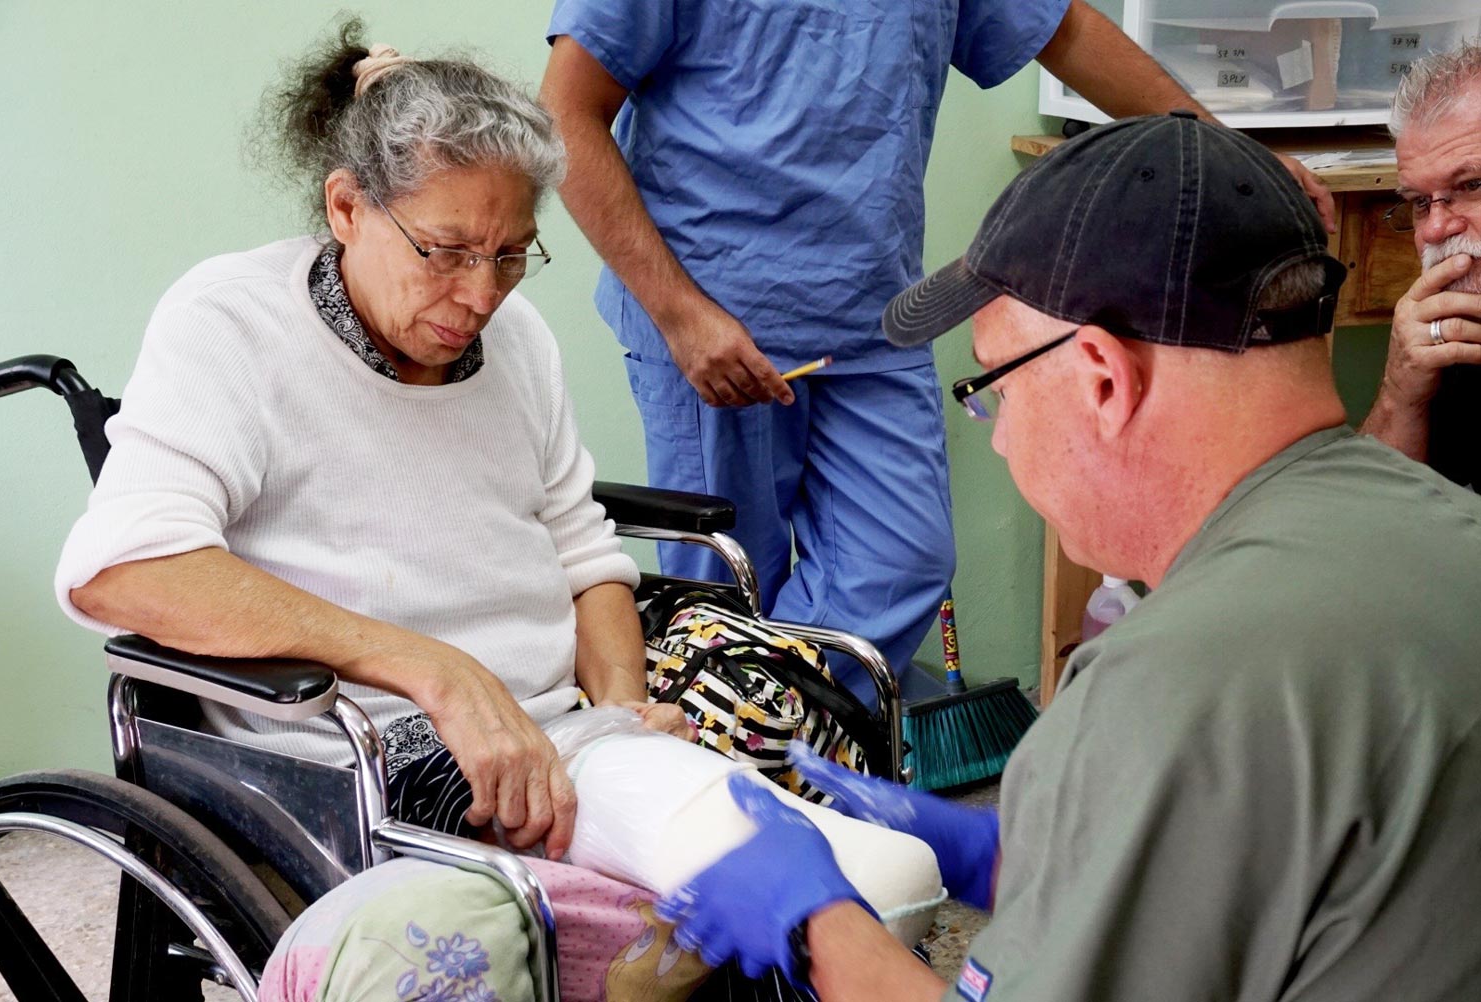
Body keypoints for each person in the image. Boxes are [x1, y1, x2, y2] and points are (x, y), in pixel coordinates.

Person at [653, 113, 1481, 1001]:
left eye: (994, 388)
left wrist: (814, 925)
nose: (1001, 439)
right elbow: (1266, 870)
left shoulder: (1167, 684)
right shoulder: (1445, 525)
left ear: (1101, 377)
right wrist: (1018, 856)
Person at [538, 0, 1335, 702]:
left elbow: (1067, 31)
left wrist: (1240, 163)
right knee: (722, 594)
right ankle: (738, 810)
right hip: (710, 322)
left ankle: (757, 757)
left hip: (871, 317)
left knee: (903, 561)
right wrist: (680, 315)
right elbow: (565, 115)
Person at [54, 21, 690, 863]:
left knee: (798, 724)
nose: (480, 295)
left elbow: (583, 556)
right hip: (381, 758)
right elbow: (120, 570)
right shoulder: (233, 324)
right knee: (705, 872)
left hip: (561, 725)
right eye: (446, 251)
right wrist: (434, 669)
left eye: (508, 256)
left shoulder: (522, 338)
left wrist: (623, 713)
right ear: (347, 207)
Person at [1359, 40, 1481, 489]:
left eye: (1471, 184)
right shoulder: (1453, 320)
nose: (1434, 230)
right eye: (1417, 202)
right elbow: (1374, 517)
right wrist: (1400, 394)